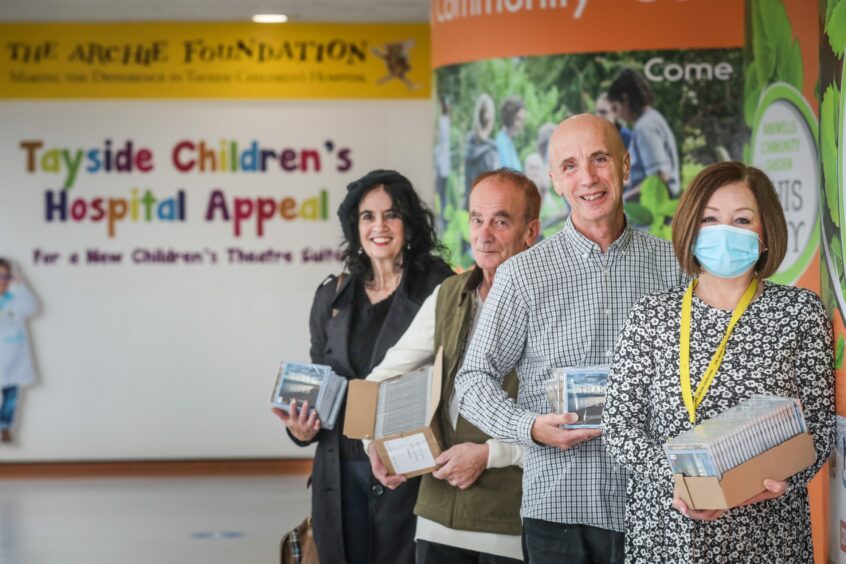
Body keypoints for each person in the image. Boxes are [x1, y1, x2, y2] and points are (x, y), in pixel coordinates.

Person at [454, 114, 684, 563]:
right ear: (556, 180)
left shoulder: (673, 265)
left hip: (658, 504)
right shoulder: (523, 274)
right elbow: (473, 379)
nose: (589, 178)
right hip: (559, 510)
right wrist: (530, 428)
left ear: (625, 165)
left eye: (600, 159)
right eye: (571, 166)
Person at [603, 161, 835, 563]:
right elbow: (620, 424)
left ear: (765, 235)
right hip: (668, 531)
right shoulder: (652, 316)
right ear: (691, 229)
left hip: (765, 533)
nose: (724, 232)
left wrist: (775, 483)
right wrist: (681, 483)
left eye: (742, 219)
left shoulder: (799, 312)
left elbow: (818, 427)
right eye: (710, 219)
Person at [272, 170, 453, 564]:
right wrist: (301, 430)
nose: (379, 227)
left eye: (392, 215)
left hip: (408, 471)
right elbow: (321, 382)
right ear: (355, 227)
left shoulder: (439, 288)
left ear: (410, 222)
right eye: (367, 217)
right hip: (338, 475)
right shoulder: (331, 295)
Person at [365, 169, 541, 563]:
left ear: (530, 232)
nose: (484, 234)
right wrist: (372, 441)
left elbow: (570, 424)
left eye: (501, 220)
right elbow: (384, 376)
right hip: (438, 517)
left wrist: (489, 454)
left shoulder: (554, 303)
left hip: (511, 520)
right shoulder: (449, 294)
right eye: (477, 219)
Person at [607, 68, 679, 199]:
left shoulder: (645, 127)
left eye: (616, 108)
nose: (617, 115)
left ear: (625, 99)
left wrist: (622, 199)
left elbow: (659, 177)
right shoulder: (654, 118)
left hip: (655, 211)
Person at [0, 259, 37, 444]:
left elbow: (32, 308)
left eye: (5, 276)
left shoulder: (16, 300)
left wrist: (21, 285)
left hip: (13, 358)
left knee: (11, 397)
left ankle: (5, 427)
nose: (2, 280)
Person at [465, 94, 500, 211]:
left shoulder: (467, 148)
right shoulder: (491, 154)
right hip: (487, 213)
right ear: (491, 120)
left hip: (469, 210)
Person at [495, 96, 525, 171]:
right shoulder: (501, 143)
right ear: (509, 117)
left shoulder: (509, 142)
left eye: (522, 121)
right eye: (518, 119)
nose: (520, 125)